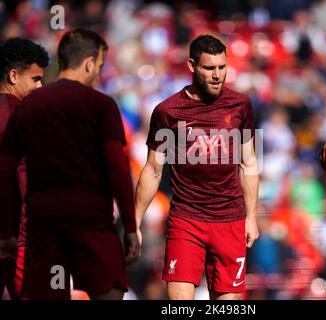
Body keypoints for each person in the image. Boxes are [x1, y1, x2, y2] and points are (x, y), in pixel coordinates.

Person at [0, 29, 139, 300]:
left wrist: (5, 231)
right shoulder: (101, 104)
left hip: (43, 223)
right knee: (109, 290)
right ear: (89, 63)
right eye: (99, 66)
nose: (98, 73)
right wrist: (131, 227)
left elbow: (6, 169)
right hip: (87, 218)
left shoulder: (27, 107)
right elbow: (117, 167)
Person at [135, 34, 259, 300]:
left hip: (231, 220)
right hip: (186, 219)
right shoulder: (168, 111)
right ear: (192, 66)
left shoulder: (240, 105)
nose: (217, 75)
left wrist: (252, 217)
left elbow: (248, 164)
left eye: (222, 67)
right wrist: (134, 223)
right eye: (209, 68)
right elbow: (153, 169)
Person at [0, 37, 48, 300]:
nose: (41, 87)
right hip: (15, 238)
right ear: (14, 76)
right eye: (36, 79)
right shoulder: (23, 116)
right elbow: (23, 179)